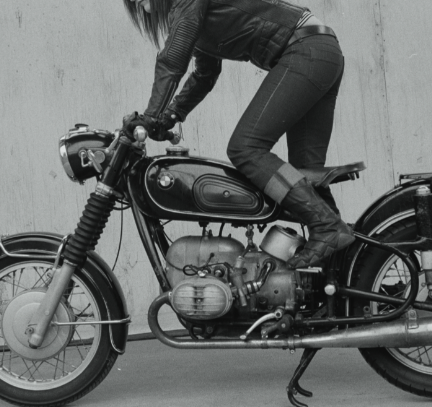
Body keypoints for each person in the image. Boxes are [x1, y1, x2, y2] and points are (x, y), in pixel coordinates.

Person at [122, 0, 354, 268]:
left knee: (246, 148)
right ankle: (344, 262)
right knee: (305, 175)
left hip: (306, 51)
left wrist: (151, 116)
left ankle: (327, 227)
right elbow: (205, 74)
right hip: (321, 50)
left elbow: (173, 59)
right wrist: (169, 116)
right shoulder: (191, 12)